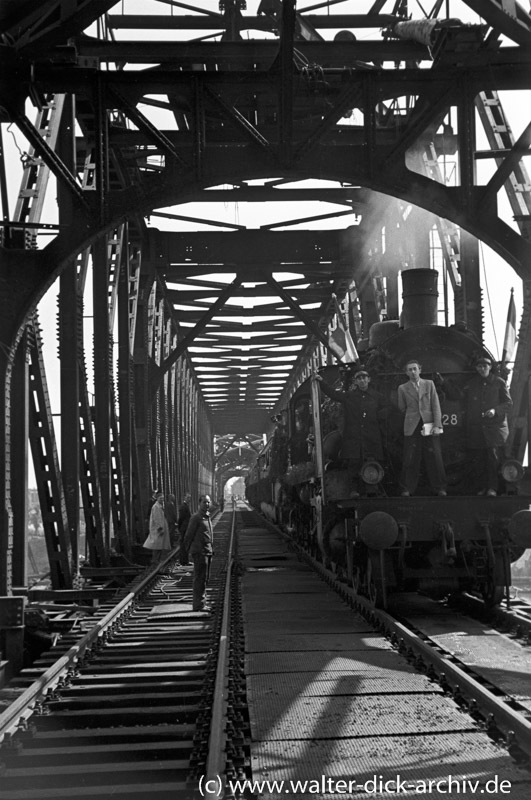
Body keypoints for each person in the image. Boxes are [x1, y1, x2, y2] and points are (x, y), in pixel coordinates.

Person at [313, 368, 386, 496]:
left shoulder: (377, 396)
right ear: (356, 381)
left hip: (371, 436)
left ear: (369, 379)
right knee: (353, 464)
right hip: (354, 436)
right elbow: (333, 394)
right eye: (359, 378)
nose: (362, 380)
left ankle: (372, 489)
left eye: (364, 378)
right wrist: (321, 382)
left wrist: (379, 416)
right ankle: (354, 490)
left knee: (372, 461)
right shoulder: (349, 396)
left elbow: (389, 407)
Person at [463, 356, 512, 496]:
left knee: (493, 459)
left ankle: (492, 488)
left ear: (490, 367)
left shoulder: (499, 382)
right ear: (476, 368)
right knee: (478, 460)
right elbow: (460, 395)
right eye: (479, 366)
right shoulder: (472, 383)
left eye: (485, 366)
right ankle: (482, 488)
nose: (482, 369)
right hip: (477, 429)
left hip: (493, 429)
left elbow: (508, 404)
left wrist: (495, 410)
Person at [397, 360, 447, 497]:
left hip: (429, 424)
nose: (413, 372)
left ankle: (440, 488)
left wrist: (437, 425)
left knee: (434, 456)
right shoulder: (402, 388)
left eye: (415, 369)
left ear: (420, 370)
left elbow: (436, 406)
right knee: (410, 457)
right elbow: (402, 407)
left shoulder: (429, 384)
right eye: (409, 370)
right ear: (406, 373)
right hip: (412, 425)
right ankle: (407, 488)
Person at [184, 495, 213, 612]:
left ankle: (202, 602)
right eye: (204, 502)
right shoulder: (196, 518)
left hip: (207, 551)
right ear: (199, 503)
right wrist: (187, 551)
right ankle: (198, 605)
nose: (207, 504)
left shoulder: (206, 517)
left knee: (204, 578)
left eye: (208, 502)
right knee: (200, 578)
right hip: (200, 552)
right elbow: (188, 535)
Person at [143, 491, 171, 563]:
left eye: (163, 498)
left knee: (159, 545)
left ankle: (157, 560)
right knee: (156, 545)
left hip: (159, 528)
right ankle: (155, 560)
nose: (162, 500)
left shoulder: (159, 506)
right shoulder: (156, 507)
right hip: (158, 529)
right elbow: (156, 519)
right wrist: (160, 528)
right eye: (160, 498)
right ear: (157, 498)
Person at [177, 492, 192, 565]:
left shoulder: (185, 506)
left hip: (185, 528)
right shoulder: (183, 507)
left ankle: (185, 560)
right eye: (188, 497)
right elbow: (181, 518)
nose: (189, 499)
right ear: (184, 498)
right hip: (184, 528)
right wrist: (180, 528)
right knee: (184, 545)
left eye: (190, 498)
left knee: (185, 544)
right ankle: (183, 561)